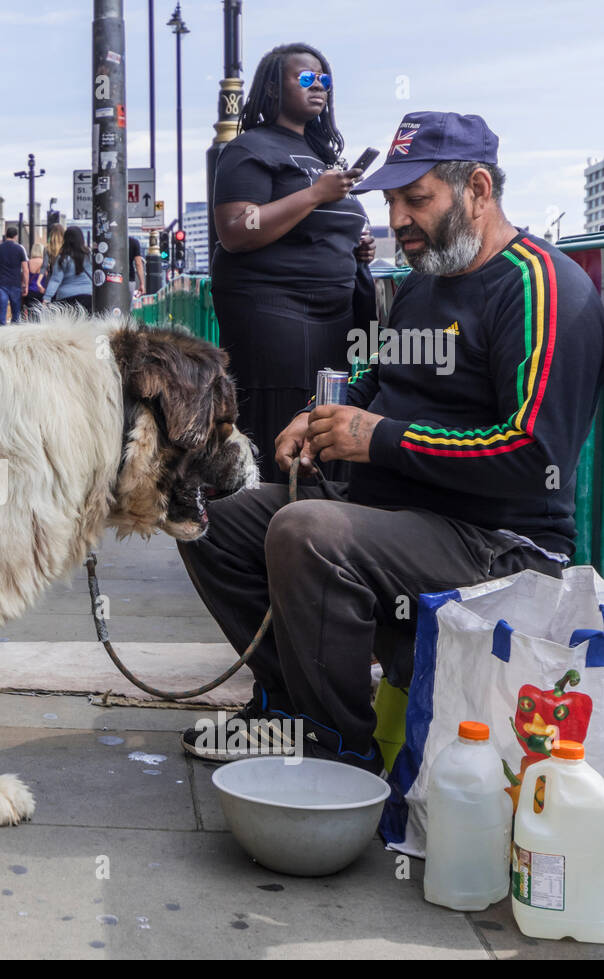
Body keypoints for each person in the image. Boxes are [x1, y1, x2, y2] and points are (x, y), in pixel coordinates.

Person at [179, 112, 604, 774]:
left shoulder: (541, 287)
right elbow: (384, 378)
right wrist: (329, 415)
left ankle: (337, 748)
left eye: (417, 198)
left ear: (479, 190)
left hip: (499, 545)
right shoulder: (423, 280)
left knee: (305, 530)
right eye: (390, 201)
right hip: (402, 517)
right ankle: (288, 706)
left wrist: (378, 440)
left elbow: (534, 455)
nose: (398, 218)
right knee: (211, 519)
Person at [210, 42, 376, 483]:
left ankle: (311, 536)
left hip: (332, 321)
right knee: (279, 436)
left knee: (320, 432)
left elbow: (312, 226)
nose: (318, 86)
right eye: (306, 78)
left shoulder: (322, 156)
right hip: (276, 319)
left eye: (324, 79)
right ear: (271, 88)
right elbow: (235, 228)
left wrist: (355, 247)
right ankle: (268, 539)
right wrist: (316, 194)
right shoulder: (249, 149)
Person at [43, 226, 94, 312]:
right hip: (88, 295)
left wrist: (47, 298)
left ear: (65, 239)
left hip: (66, 297)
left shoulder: (63, 258)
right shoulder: (89, 255)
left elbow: (55, 280)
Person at [0, 225, 28, 325]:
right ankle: (14, 333)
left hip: (2, 284)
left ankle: (2, 333)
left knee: (2, 311)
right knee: (16, 313)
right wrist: (25, 284)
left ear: (6, 235)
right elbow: (25, 269)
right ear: (15, 236)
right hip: (15, 283)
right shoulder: (20, 249)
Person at [24, 242, 46, 318]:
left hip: (30, 291)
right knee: (41, 314)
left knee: (31, 314)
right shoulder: (45, 262)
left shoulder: (28, 262)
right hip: (42, 291)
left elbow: (25, 276)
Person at [128, 233, 146, 299]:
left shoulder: (109, 239)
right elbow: (138, 264)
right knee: (127, 306)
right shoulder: (133, 242)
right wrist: (142, 284)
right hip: (129, 279)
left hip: (112, 279)